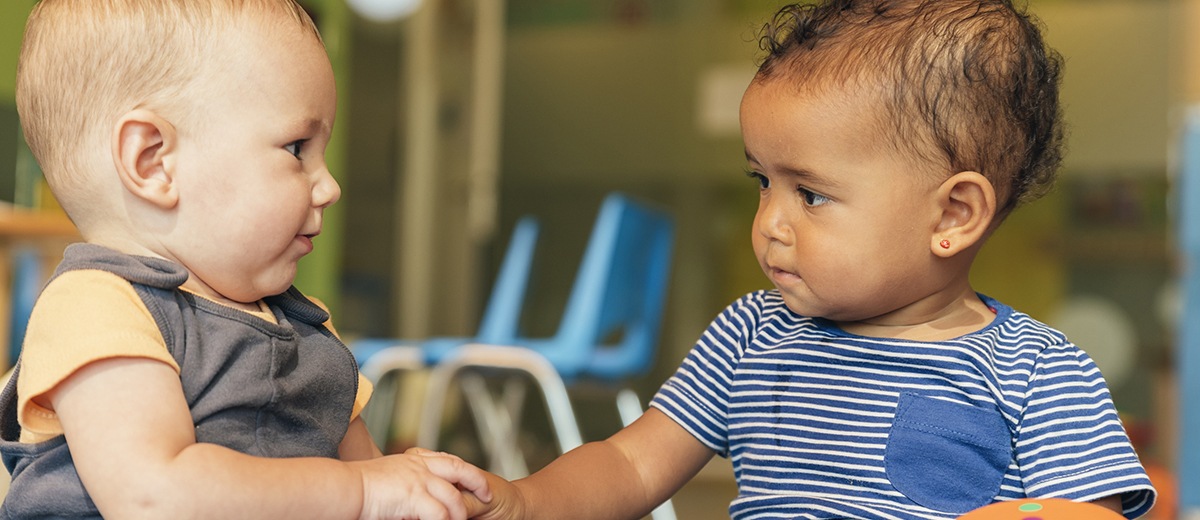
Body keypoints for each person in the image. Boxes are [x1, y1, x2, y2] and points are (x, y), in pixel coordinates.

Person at [468, 0, 1157, 519]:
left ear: (952, 216)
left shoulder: (1037, 370)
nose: (770, 224)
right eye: (763, 183)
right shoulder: (749, 335)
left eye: (813, 196)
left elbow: (1087, 512)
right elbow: (629, 463)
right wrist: (525, 501)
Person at [0, 1, 491, 518]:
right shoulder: (98, 308)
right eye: (298, 148)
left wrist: (414, 488)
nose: (329, 186)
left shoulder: (308, 331)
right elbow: (154, 496)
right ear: (154, 162)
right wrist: (364, 491)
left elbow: (371, 478)